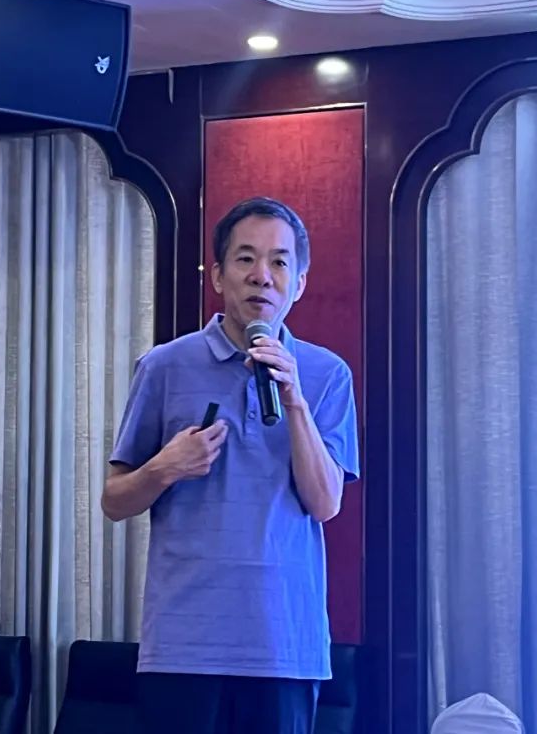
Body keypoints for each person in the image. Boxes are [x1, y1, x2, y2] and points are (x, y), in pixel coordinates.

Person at [101, 196, 360, 734]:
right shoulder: (163, 366)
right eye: (245, 258)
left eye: (279, 262)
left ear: (299, 283)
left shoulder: (326, 374)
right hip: (184, 646)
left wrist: (294, 401)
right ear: (218, 275)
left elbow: (325, 503)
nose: (262, 275)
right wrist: (165, 467)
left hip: (284, 646)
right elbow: (114, 501)